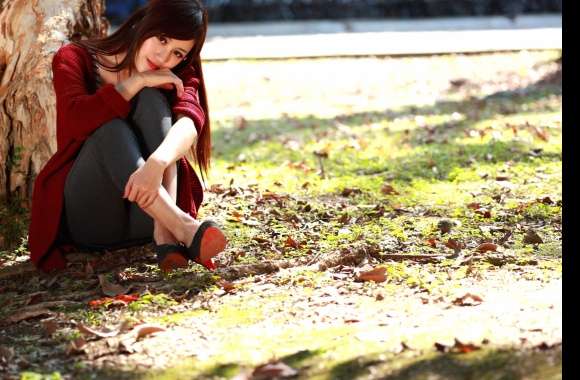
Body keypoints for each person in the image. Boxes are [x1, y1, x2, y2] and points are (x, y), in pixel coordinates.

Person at [28, 0, 227, 273]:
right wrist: (137, 81)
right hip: (93, 218)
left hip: (146, 220)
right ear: (142, 23)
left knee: (153, 100)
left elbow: (189, 125)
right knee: (110, 127)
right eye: (162, 38)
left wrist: (156, 164)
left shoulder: (178, 72)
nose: (164, 57)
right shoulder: (74, 57)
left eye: (178, 53)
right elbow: (77, 119)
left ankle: (165, 232)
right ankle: (181, 226)